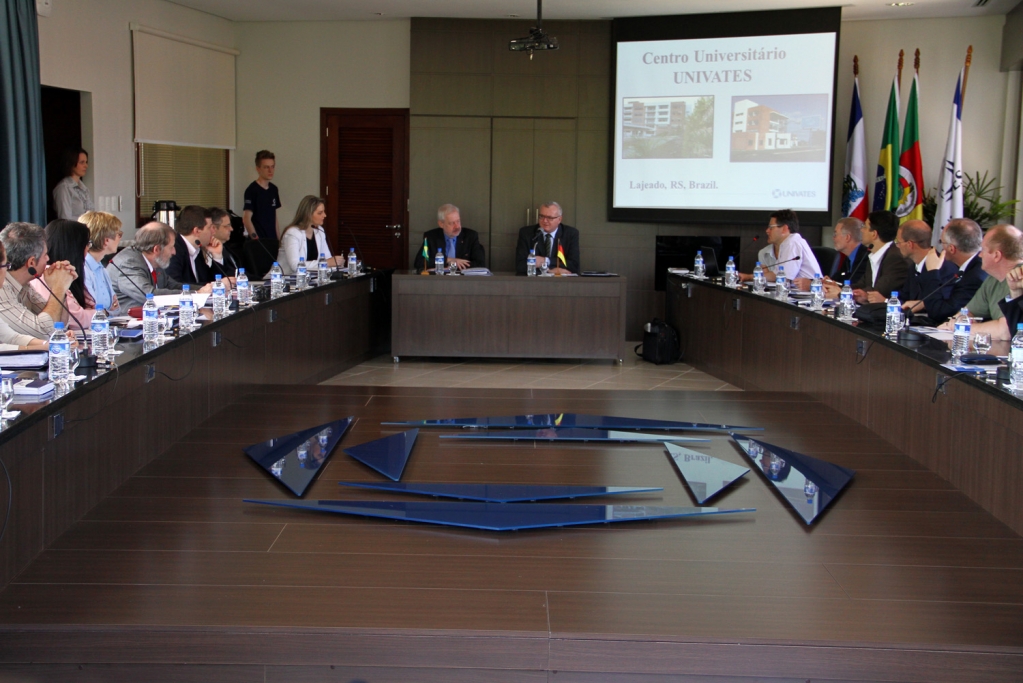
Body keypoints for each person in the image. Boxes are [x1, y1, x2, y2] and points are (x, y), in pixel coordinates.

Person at [938, 224, 1023, 340]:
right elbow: (965, 314)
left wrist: (963, 327)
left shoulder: (1019, 278)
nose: (979, 255)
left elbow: (1006, 331)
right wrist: (954, 323)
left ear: (996, 255)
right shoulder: (992, 279)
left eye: (983, 250)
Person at [900, 218, 985, 325]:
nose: (940, 248)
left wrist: (932, 271)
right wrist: (923, 303)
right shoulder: (973, 267)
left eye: (942, 243)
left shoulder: (974, 276)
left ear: (951, 249)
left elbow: (940, 312)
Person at [0, 222, 75, 340]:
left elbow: (59, 325)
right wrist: (58, 288)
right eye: (45, 254)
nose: (48, 259)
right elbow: (43, 332)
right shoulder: (2, 290)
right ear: (31, 262)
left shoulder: (24, 285)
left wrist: (62, 287)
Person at [30, 220, 97, 336]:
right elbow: (78, 320)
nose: (88, 249)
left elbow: (90, 305)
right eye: (87, 244)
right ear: (75, 247)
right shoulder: (50, 273)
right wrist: (101, 313)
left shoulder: (65, 272)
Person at [106, 222, 185, 309]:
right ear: (156, 249)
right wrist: (190, 295)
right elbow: (149, 295)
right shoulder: (128, 263)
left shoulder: (155, 261)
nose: (174, 252)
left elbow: (172, 285)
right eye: (171, 247)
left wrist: (196, 291)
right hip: (127, 317)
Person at [739, 209, 820, 290]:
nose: (767, 231)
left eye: (771, 228)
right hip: (795, 292)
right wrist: (749, 277)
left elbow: (783, 278)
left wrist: (748, 277)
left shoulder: (792, 242)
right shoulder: (785, 244)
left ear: (784, 229)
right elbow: (776, 274)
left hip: (812, 293)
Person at [852, 210, 909, 303]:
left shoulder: (895, 258)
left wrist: (842, 293)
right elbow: (862, 285)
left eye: (865, 227)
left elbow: (879, 292)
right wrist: (839, 288)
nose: (861, 230)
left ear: (874, 234)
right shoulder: (873, 255)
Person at [277, 195, 344, 275]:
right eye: (320, 213)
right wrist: (326, 263)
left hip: (310, 277)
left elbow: (327, 258)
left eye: (324, 212)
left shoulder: (319, 231)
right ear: (308, 215)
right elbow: (295, 266)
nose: (324, 215)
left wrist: (336, 262)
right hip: (283, 278)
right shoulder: (292, 233)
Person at [0, 240, 47, 352]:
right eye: (7, 265)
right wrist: (45, 347)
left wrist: (52, 343)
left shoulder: (27, 286)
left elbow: (11, 337)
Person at [412, 204, 485, 272]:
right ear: (441, 224)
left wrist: (454, 265)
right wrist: (447, 260)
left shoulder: (470, 236)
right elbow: (419, 262)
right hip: (439, 278)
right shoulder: (431, 237)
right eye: (452, 223)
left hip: (462, 279)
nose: (457, 226)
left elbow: (480, 263)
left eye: (458, 221)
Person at [514, 202, 580, 275]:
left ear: (559, 219)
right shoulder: (526, 233)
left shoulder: (570, 234)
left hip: (561, 281)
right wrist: (549, 270)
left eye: (550, 218)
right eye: (541, 216)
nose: (545, 221)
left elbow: (574, 265)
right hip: (534, 280)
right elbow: (520, 265)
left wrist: (546, 260)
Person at [79, 211, 122, 316]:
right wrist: (108, 312)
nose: (120, 238)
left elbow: (116, 308)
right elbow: (93, 311)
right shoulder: (82, 268)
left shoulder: (102, 268)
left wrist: (107, 312)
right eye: (119, 234)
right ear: (106, 241)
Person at [165, 205, 215, 285]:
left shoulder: (196, 248)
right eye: (209, 228)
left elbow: (209, 279)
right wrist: (214, 285)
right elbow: (175, 285)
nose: (213, 232)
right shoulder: (174, 250)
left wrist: (217, 256)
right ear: (197, 231)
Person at [243, 150, 280, 240]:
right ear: (258, 169)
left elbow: (274, 217)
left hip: (272, 240)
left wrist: (279, 240)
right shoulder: (252, 190)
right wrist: (255, 239)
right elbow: (246, 219)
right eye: (266, 167)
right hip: (259, 240)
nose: (270, 170)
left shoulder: (274, 189)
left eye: (272, 167)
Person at [52, 147, 94, 221]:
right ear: (71, 163)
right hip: (73, 228)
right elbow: (65, 219)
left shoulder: (84, 188)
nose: (86, 166)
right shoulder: (63, 188)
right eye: (82, 162)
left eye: (86, 162)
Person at [204, 208, 239, 279]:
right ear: (213, 228)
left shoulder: (227, 248)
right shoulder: (204, 251)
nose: (231, 229)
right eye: (227, 226)